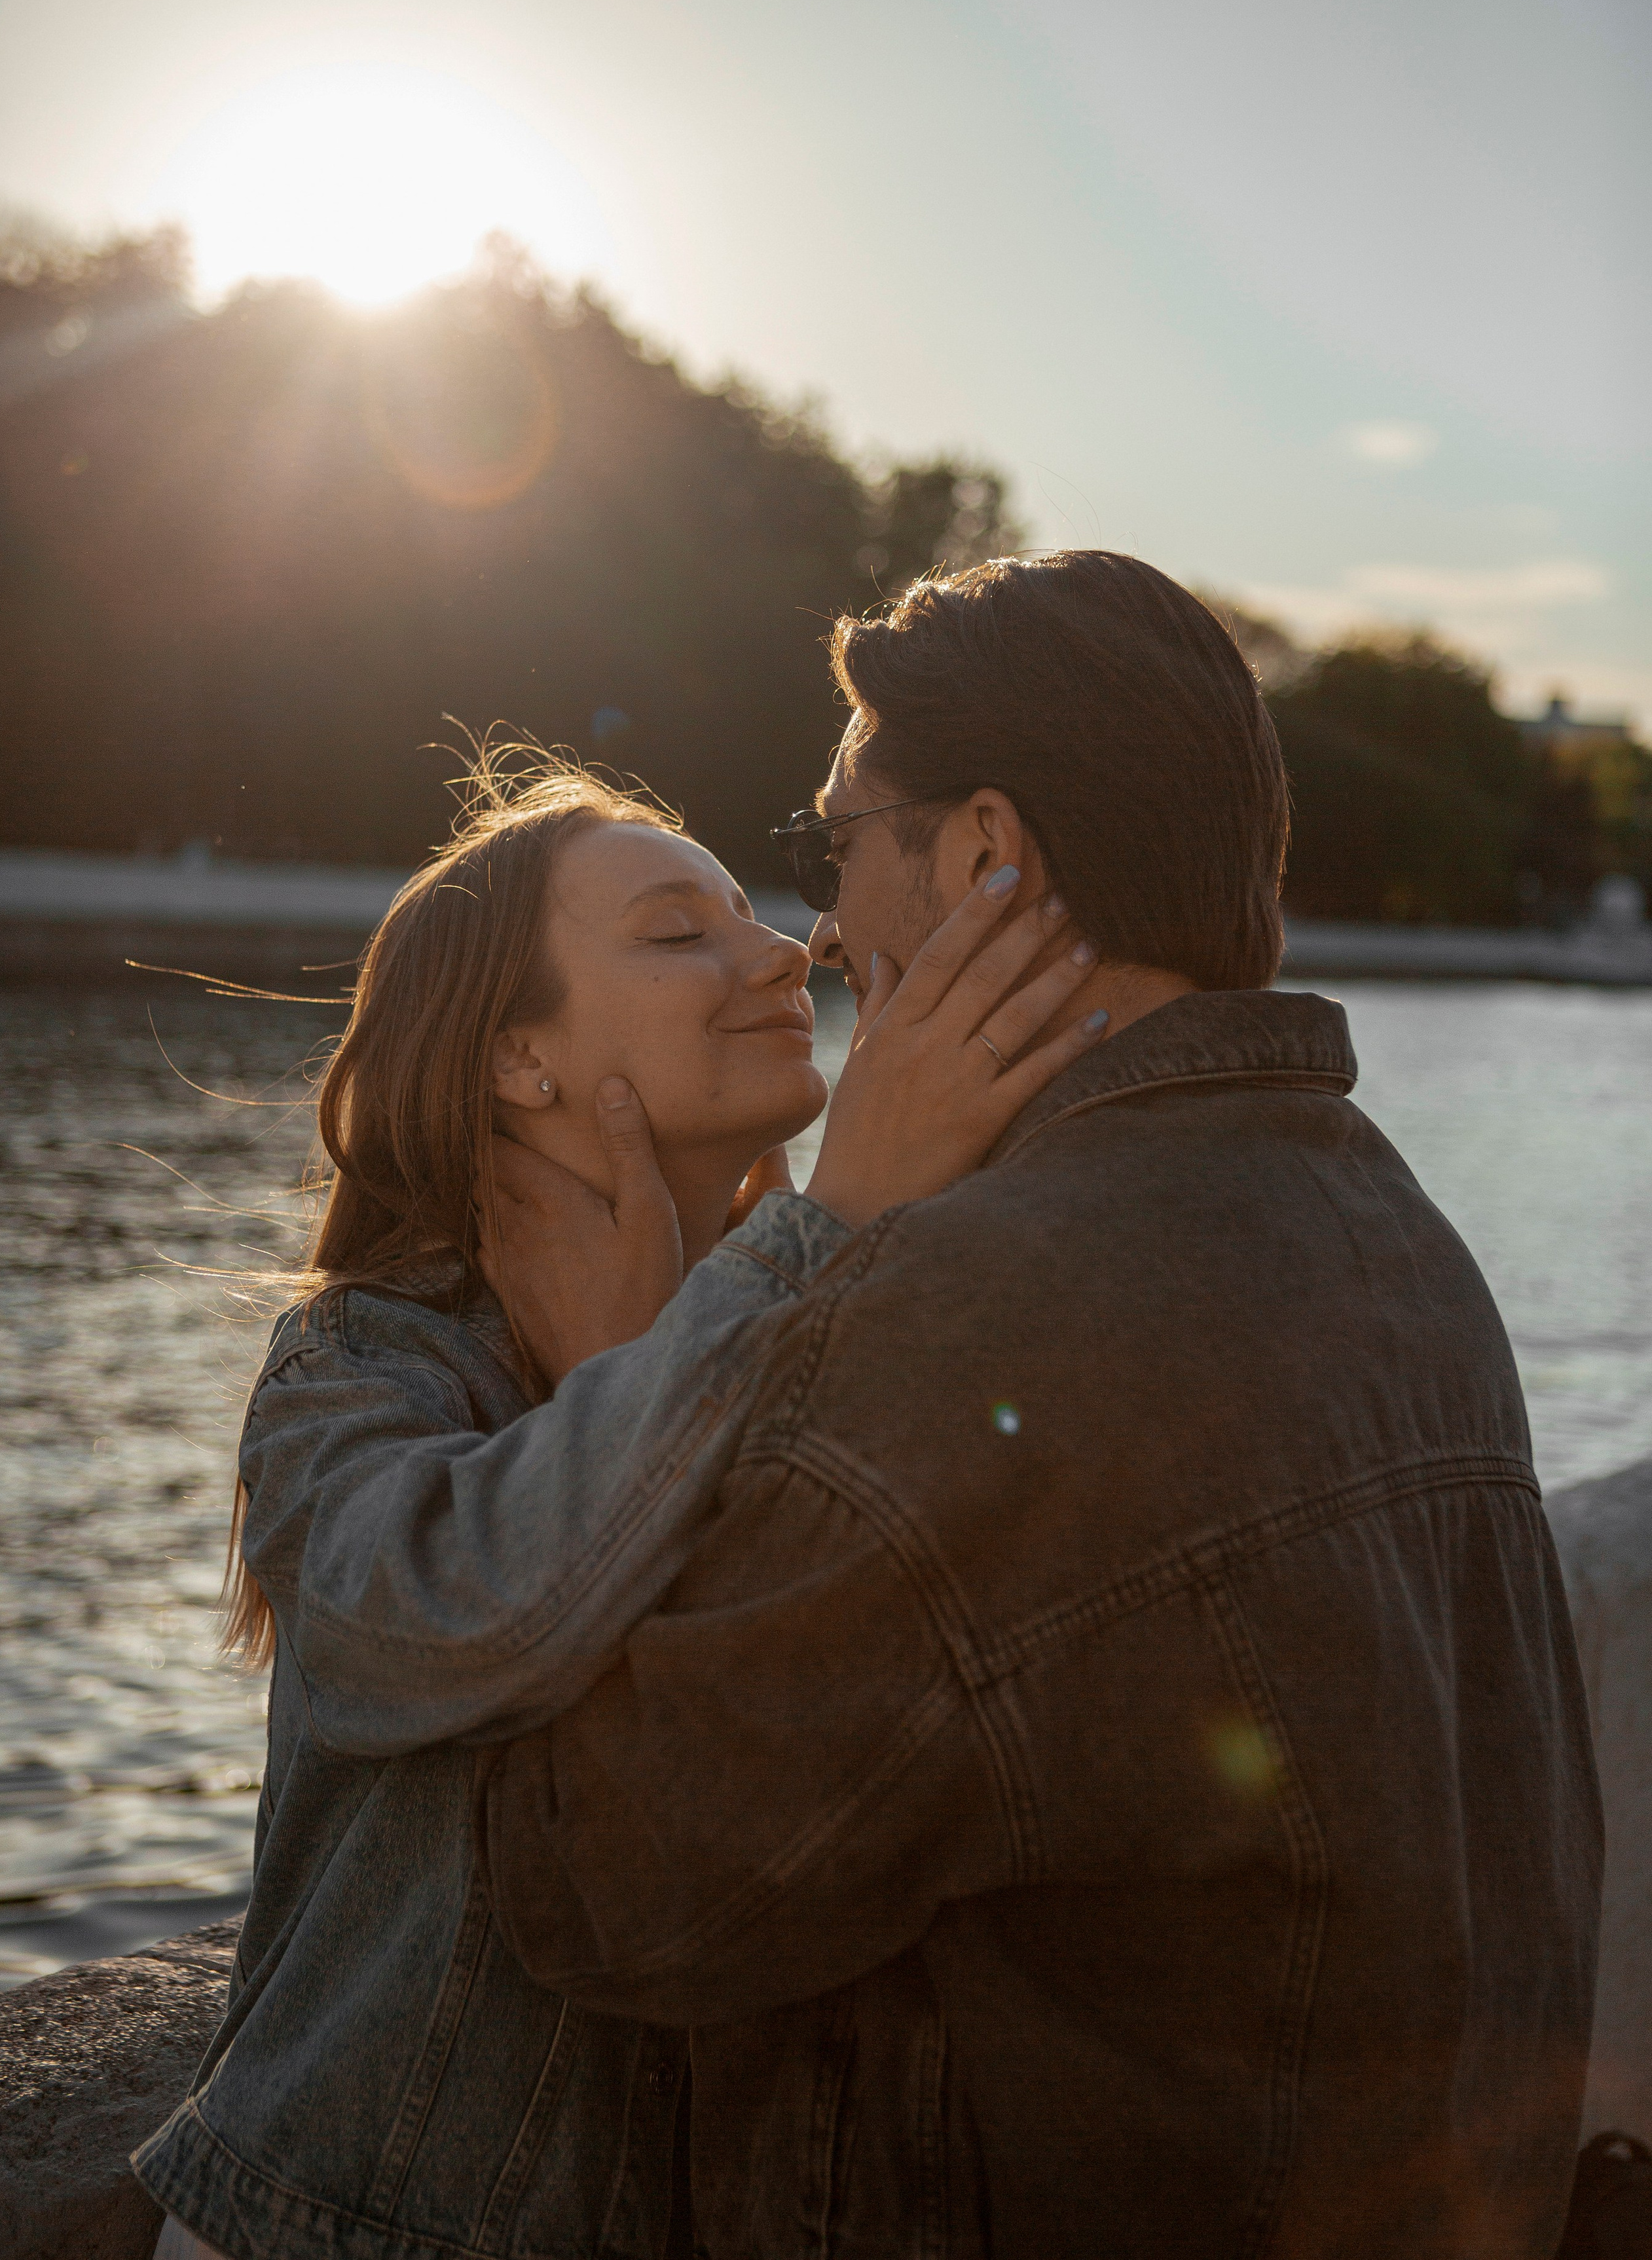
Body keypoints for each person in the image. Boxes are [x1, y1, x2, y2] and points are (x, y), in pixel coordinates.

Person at [467, 553, 1603, 2257]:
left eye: (838, 840)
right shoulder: (1400, 1241)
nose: (829, 928)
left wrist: (617, 1386)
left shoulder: (988, 1308)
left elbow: (605, 1889)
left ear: (990, 852)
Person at [133, 751, 1105, 2260]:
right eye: (676, 932)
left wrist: (725, 1320)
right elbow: (443, 1628)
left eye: (750, 914)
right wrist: (799, 1247)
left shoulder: (808, 1329)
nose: (784, 952)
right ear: (518, 1059)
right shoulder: (369, 1362)